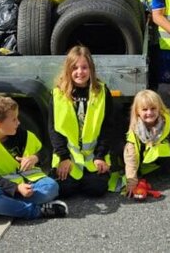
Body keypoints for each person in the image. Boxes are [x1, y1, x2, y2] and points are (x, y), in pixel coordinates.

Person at [0, 96, 68, 220]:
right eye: (14, 119)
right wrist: (16, 188)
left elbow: (45, 152)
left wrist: (35, 157)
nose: (18, 122)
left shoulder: (21, 133)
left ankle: (4, 208)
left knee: (52, 187)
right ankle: (37, 211)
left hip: (27, 184)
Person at [50, 45, 119, 197]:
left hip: (93, 156)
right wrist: (63, 158)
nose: (80, 72)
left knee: (96, 189)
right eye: (75, 68)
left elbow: (108, 127)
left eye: (84, 67)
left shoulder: (101, 91)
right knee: (64, 190)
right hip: (69, 157)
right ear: (68, 69)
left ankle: (88, 178)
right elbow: (53, 129)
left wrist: (100, 156)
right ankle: (75, 179)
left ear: (91, 69)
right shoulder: (58, 93)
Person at [123, 90, 170, 196]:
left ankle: (161, 169)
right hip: (138, 161)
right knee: (126, 150)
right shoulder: (135, 129)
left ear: (159, 108)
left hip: (157, 162)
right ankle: (142, 173)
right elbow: (131, 157)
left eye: (153, 108)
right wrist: (131, 182)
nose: (149, 113)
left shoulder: (166, 121)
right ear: (137, 112)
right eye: (145, 109)